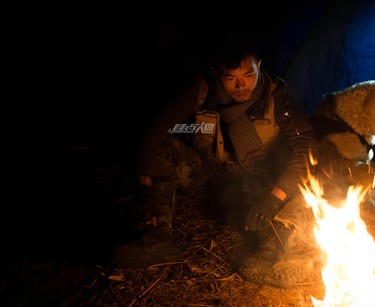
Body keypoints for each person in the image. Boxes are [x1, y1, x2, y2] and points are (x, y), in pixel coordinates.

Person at [111, 35, 321, 288]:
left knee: (309, 184)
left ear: (260, 66)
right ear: (216, 73)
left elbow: (305, 145)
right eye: (230, 78)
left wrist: (273, 198)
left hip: (263, 183)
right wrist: (144, 186)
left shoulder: (276, 95)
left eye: (248, 75)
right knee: (165, 147)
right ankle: (154, 236)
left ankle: (274, 253)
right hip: (214, 177)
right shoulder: (200, 91)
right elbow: (157, 130)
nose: (241, 86)